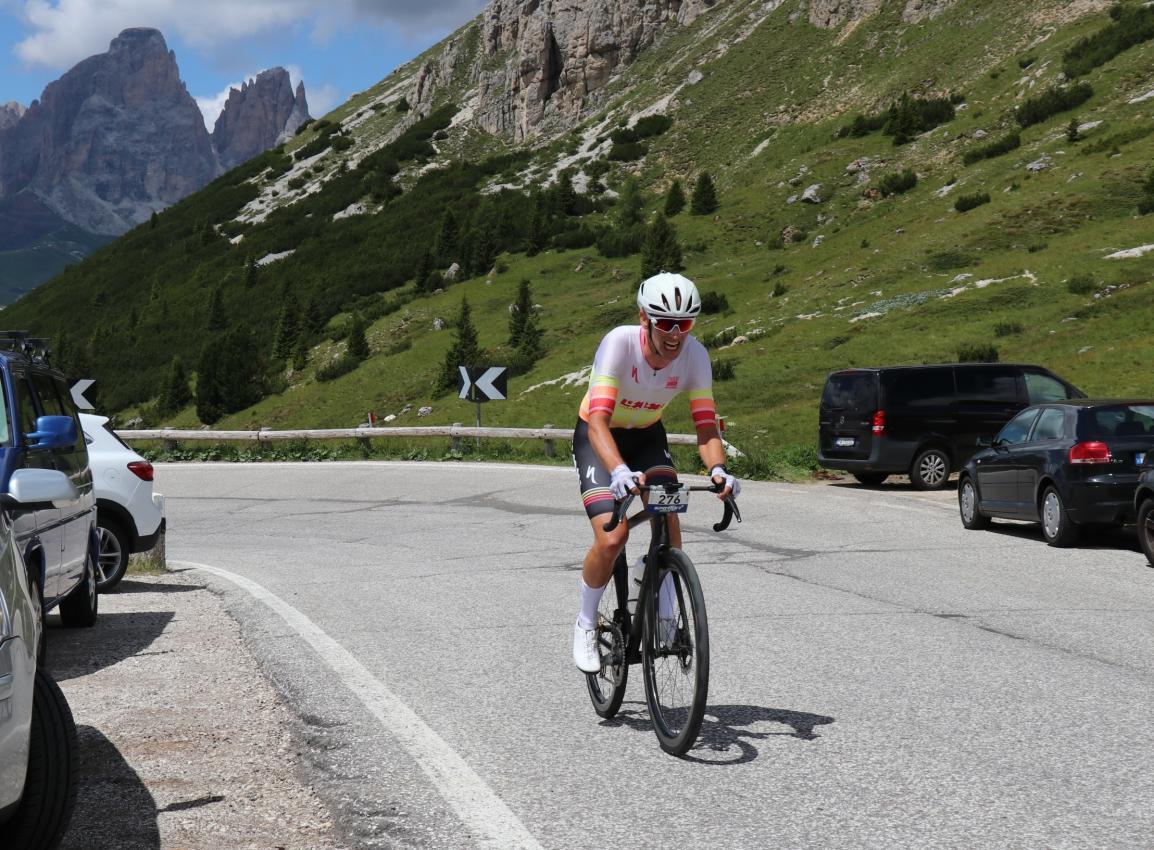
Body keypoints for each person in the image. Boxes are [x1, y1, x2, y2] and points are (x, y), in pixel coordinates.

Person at [571, 271, 739, 672]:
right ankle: (584, 623)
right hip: (601, 437)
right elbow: (597, 421)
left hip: (647, 436)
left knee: (668, 513)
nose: (675, 333)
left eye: (685, 323)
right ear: (644, 318)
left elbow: (705, 425)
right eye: (665, 322)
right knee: (614, 537)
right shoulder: (619, 343)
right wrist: (617, 471)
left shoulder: (695, 356)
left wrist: (718, 469)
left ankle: (662, 597)